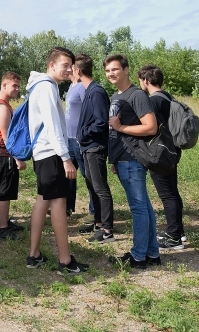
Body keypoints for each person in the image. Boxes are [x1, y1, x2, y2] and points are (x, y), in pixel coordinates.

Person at [26, 47, 89, 275]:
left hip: (42, 154)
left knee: (43, 201)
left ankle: (33, 255)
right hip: (51, 154)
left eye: (71, 66)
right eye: (65, 65)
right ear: (51, 65)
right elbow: (53, 127)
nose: (69, 70)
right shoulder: (46, 88)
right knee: (59, 205)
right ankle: (65, 261)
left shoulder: (40, 86)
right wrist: (66, 158)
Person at [105, 54, 161, 269]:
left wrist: (121, 128)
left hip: (133, 159)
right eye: (108, 70)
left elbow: (150, 127)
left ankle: (138, 257)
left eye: (115, 69)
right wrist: (113, 158)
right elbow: (113, 133)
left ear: (126, 70)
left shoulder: (136, 95)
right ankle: (152, 253)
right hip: (121, 159)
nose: (111, 73)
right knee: (144, 207)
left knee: (138, 208)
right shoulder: (116, 96)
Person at [138, 64, 186, 250]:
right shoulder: (167, 97)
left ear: (147, 81)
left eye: (141, 81)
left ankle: (174, 237)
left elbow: (149, 128)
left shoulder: (154, 101)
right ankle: (178, 233)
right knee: (172, 192)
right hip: (172, 151)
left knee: (167, 195)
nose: (141, 84)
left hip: (161, 153)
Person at [75, 54, 115, 243]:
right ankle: (99, 224)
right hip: (88, 147)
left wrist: (82, 133)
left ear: (78, 71)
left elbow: (101, 122)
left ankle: (107, 230)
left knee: (101, 188)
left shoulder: (96, 91)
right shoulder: (89, 90)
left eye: (71, 68)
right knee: (93, 186)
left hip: (95, 147)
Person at [0, 71, 27, 240]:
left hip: (1, 154)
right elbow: (7, 138)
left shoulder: (1, 104)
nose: (17, 89)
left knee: (4, 190)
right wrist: (18, 158)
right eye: (14, 86)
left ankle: (5, 222)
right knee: (4, 192)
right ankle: (2, 228)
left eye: (18, 86)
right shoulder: (2, 108)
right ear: (4, 85)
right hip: (4, 155)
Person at [64, 64, 85, 217]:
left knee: (87, 175)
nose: (65, 70)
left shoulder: (82, 87)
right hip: (69, 138)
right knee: (68, 174)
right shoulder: (71, 86)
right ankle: (67, 207)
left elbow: (88, 109)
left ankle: (95, 211)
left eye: (68, 67)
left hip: (79, 139)